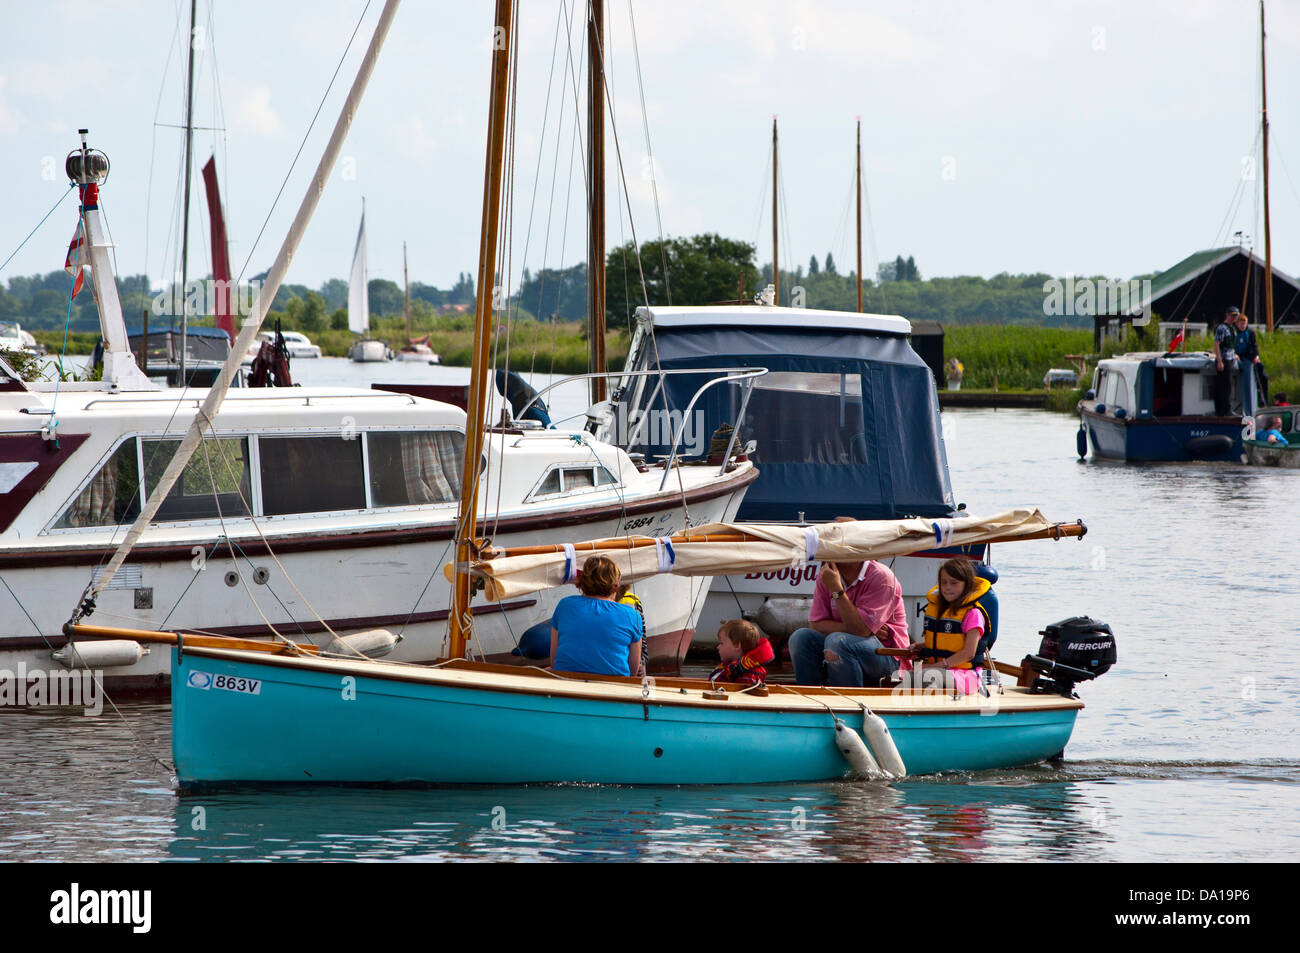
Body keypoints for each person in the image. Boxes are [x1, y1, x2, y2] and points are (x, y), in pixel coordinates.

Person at [788, 551, 909, 688]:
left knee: (837, 642)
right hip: (856, 645)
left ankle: (846, 705)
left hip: (890, 656)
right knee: (800, 637)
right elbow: (816, 625)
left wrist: (836, 589)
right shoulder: (826, 576)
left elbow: (859, 630)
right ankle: (810, 698)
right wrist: (865, 629)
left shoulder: (882, 577)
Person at [901, 558, 991, 694]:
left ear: (966, 585)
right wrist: (920, 645)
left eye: (954, 583)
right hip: (943, 670)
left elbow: (968, 653)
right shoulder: (940, 610)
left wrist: (933, 666)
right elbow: (947, 641)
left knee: (919, 677)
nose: (948, 587)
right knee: (908, 676)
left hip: (966, 676)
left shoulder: (973, 614)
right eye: (944, 582)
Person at [549, 555, 643, 677]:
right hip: (614, 688)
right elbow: (633, 671)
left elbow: (554, 661)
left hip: (567, 684)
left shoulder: (564, 605)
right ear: (616, 584)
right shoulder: (631, 615)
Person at [709, 619, 774, 686]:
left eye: (721, 643)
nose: (718, 647)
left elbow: (743, 693)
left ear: (737, 645)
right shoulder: (730, 667)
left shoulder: (750, 674)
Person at [1234, 311, 1267, 411]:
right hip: (1239, 356)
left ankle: (1262, 397)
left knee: (1261, 371)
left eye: (1244, 323)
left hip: (1249, 356)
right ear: (1237, 324)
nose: (1243, 325)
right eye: (1241, 323)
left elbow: (1254, 346)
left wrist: (1255, 356)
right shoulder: (1234, 333)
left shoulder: (1250, 333)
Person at [1213, 305, 1240, 416]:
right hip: (1224, 359)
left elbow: (1231, 345)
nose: (1235, 318)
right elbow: (1217, 344)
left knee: (1227, 384)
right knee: (1225, 386)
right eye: (1233, 315)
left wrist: (1235, 355)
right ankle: (1224, 410)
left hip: (1230, 358)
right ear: (1227, 315)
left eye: (1236, 316)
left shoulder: (1232, 328)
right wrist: (1219, 361)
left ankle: (1223, 409)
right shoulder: (1222, 328)